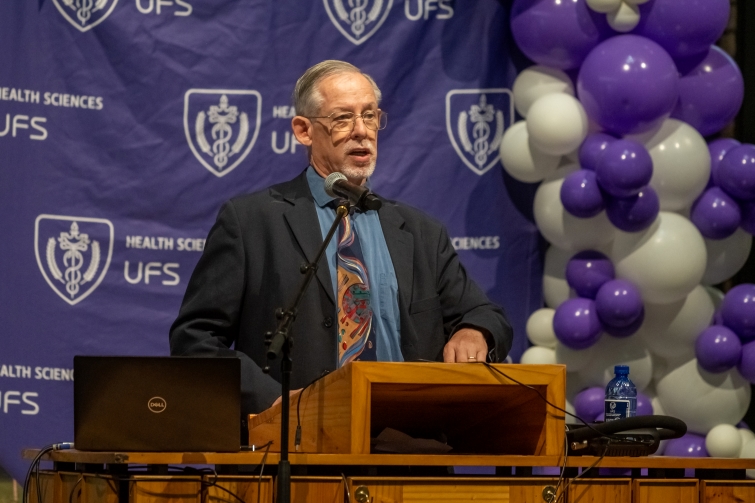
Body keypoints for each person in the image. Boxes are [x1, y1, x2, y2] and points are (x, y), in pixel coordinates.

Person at [170, 60, 513, 416]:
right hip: (298, 440)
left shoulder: (420, 232)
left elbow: (486, 314)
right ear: (304, 130)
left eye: (370, 116)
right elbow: (195, 339)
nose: (361, 131)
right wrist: (272, 403)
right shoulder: (252, 222)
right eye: (342, 119)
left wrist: (475, 332)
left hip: (408, 441)